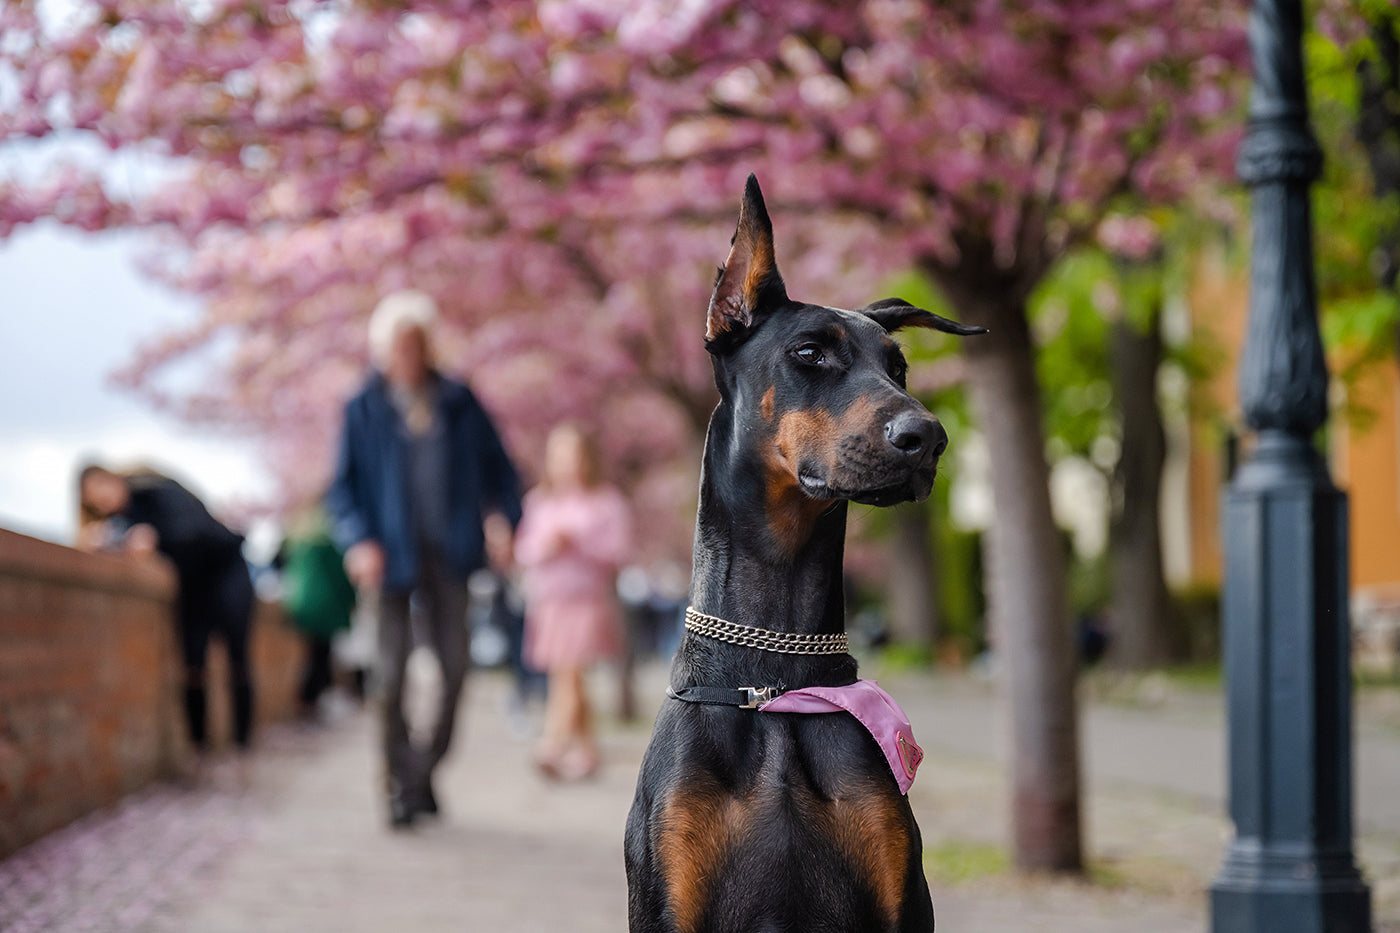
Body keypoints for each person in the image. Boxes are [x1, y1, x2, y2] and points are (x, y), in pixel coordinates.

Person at [326, 290, 522, 828]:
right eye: (397, 346)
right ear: (382, 350)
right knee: (388, 676)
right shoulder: (361, 407)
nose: (407, 355)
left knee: (456, 670)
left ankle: (417, 773)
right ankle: (402, 788)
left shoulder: (460, 402)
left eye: (416, 344)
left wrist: (503, 520)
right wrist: (359, 540)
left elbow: (503, 474)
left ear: (429, 346)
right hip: (389, 559)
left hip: (451, 554)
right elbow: (341, 492)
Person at [77, 464, 256, 768]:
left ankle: (243, 747)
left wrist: (154, 536)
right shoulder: (121, 524)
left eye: (102, 491)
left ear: (114, 478)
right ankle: (199, 749)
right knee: (192, 666)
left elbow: (195, 527)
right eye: (96, 503)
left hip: (227, 572)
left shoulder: (156, 490)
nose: (104, 503)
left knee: (237, 660)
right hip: (192, 588)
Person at [514, 424, 632, 781]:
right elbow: (524, 550)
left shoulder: (606, 501)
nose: (567, 464)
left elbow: (619, 550)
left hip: (587, 600)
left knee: (571, 672)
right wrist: (548, 545)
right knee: (565, 674)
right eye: (560, 457)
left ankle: (552, 744)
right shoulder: (539, 502)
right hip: (549, 600)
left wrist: (579, 542)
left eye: (574, 456)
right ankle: (587, 751)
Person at [276, 503, 356, 720]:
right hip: (324, 604)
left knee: (312, 655)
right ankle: (311, 703)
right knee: (320, 656)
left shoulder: (298, 541)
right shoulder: (330, 544)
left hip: (301, 603)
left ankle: (310, 703)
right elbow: (345, 579)